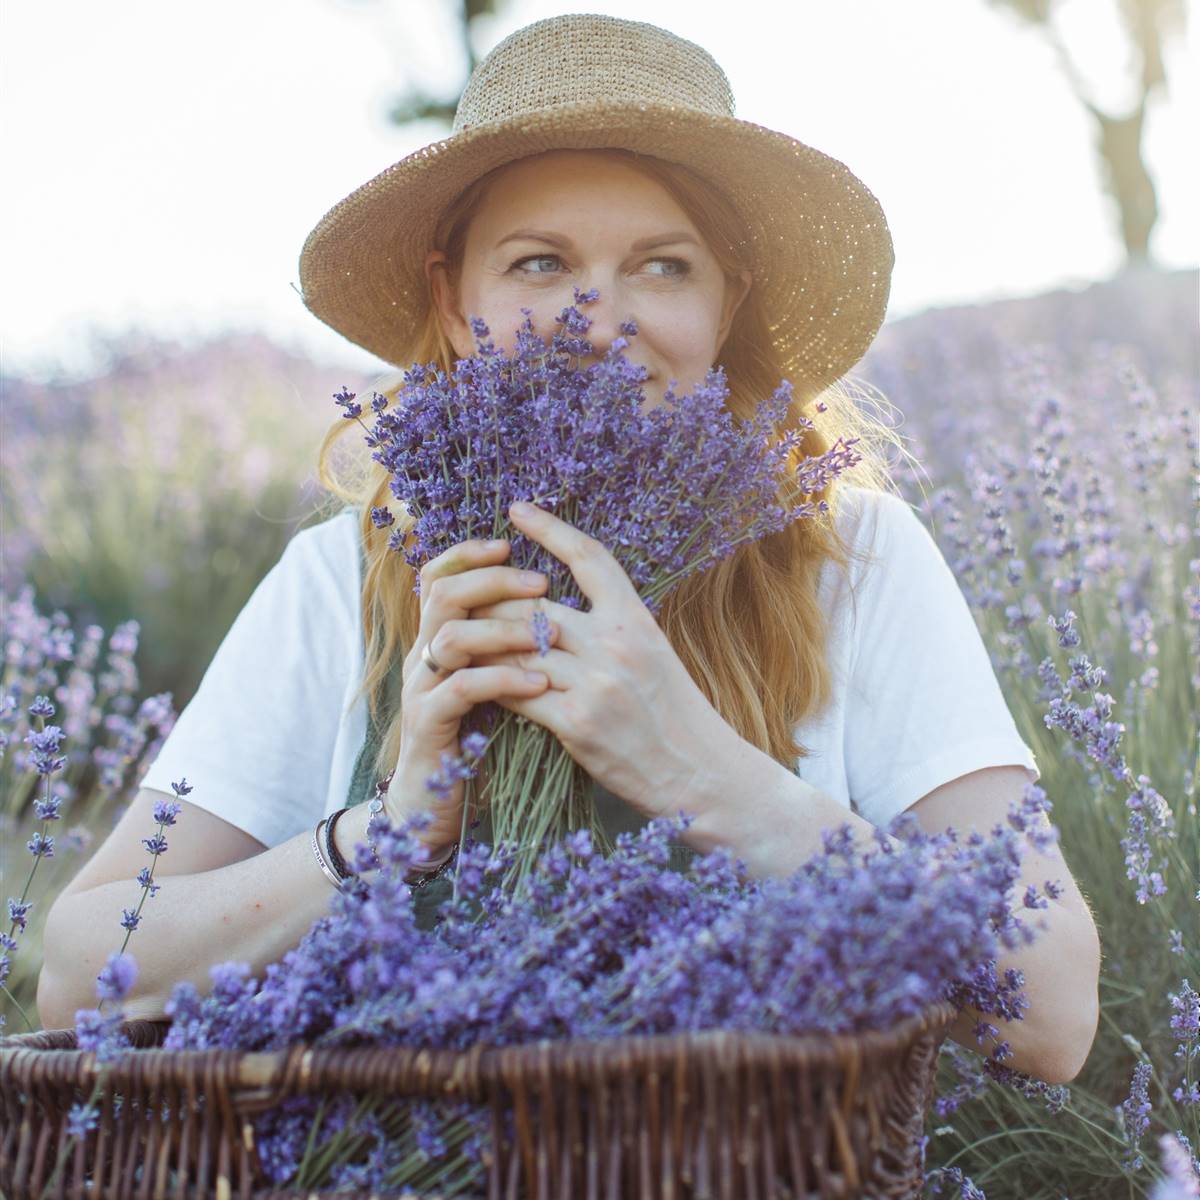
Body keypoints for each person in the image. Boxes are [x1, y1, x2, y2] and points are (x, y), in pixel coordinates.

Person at [39, 14, 1099, 1084]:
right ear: (455, 301)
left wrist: (703, 773)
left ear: (727, 300)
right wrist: (384, 830)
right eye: (541, 262)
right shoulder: (339, 582)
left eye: (664, 265)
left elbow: (1051, 1010)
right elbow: (79, 970)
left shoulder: (851, 559)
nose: (602, 318)